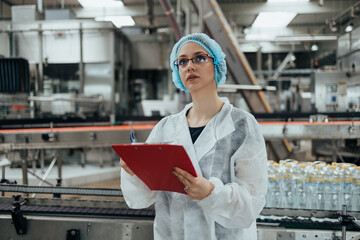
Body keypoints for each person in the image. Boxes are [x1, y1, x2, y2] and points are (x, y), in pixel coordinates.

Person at [120, 33, 268, 240]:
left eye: (199, 58)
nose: (189, 66)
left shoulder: (242, 125)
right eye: (182, 61)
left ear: (216, 64)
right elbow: (141, 198)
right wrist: (135, 172)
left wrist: (211, 193)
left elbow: (253, 202)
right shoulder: (166, 128)